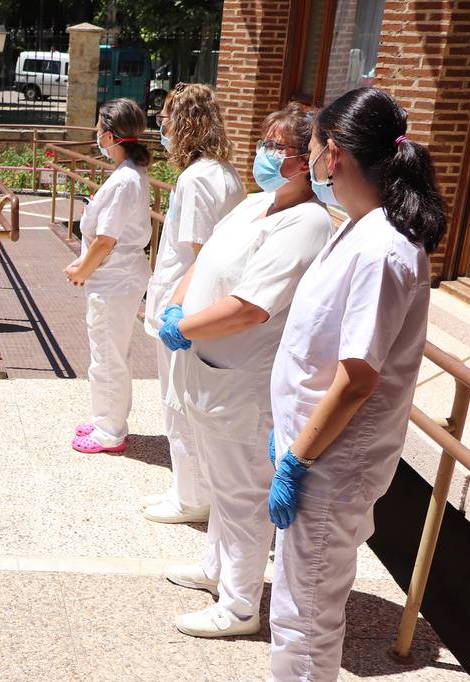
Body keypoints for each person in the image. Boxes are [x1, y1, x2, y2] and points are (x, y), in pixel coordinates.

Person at [210, 87, 446, 682]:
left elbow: (356, 378)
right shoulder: (363, 224)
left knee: (312, 606)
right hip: (312, 452)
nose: (303, 160)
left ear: (332, 154)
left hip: (332, 462)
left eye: (309, 149)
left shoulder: (382, 249)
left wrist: (300, 460)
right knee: (297, 599)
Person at [158, 103, 333, 638]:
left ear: (308, 162)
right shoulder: (254, 205)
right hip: (207, 368)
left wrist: (186, 328)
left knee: (240, 493)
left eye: (278, 147)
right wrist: (176, 305)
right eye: (265, 140)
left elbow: (252, 306)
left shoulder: (308, 222)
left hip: (244, 380)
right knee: (218, 478)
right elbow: (202, 260)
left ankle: (238, 604)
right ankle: (216, 568)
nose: (265, 153)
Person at [141, 84, 245, 523]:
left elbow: (202, 253)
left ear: (183, 123)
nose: (160, 126)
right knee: (186, 400)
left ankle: (190, 496)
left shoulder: (198, 178)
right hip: (196, 309)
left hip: (184, 309)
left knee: (177, 401)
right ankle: (191, 488)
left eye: (165, 118)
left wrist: (176, 312)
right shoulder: (225, 173)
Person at [65, 99, 154, 453]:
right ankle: (106, 417)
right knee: (108, 352)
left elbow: (105, 240)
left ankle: (110, 431)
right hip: (116, 278)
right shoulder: (128, 175)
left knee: (108, 355)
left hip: (112, 280)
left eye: (99, 129)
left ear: (111, 135)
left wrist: (80, 271)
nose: (96, 136)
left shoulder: (124, 181)